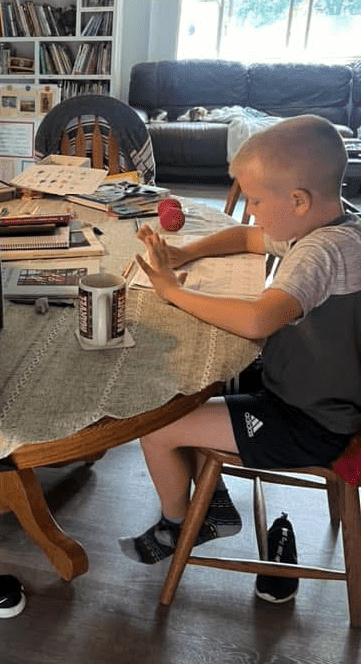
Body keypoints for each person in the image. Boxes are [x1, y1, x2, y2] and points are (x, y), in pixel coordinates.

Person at [120, 114, 361, 564]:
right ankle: (213, 503)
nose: (250, 209)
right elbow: (251, 238)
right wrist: (187, 251)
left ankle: (179, 525)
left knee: (156, 426)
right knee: (182, 387)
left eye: (254, 199)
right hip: (301, 386)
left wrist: (174, 291)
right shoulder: (327, 226)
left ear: (298, 201)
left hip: (309, 421)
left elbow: (256, 322)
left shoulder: (320, 253)